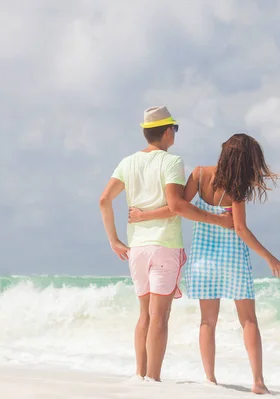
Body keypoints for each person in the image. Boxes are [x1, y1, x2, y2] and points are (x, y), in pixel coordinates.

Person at [128, 133, 280, 394]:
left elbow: (177, 206)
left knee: (207, 322)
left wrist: (144, 215)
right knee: (248, 320)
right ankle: (258, 382)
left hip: (204, 261)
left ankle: (210, 378)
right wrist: (269, 257)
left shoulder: (200, 175)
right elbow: (241, 230)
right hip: (233, 259)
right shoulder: (237, 187)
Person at [99, 106, 233, 383]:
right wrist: (217, 220)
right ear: (168, 131)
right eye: (175, 129)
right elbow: (176, 205)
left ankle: (140, 375)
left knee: (144, 316)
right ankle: (154, 380)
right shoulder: (171, 162)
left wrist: (114, 240)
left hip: (136, 246)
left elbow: (104, 200)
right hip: (164, 244)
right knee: (160, 316)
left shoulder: (127, 162)